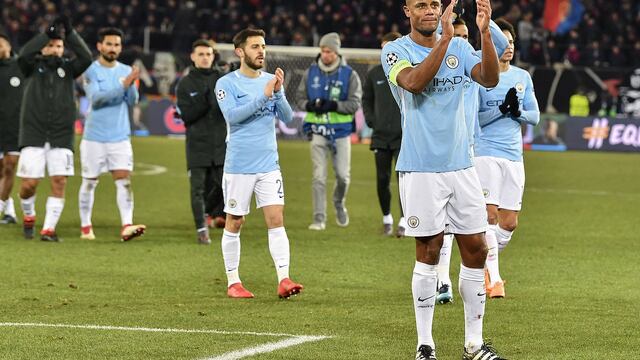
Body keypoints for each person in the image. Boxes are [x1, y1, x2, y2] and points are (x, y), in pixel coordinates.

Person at [381, 0, 506, 359]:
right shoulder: (395, 51)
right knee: (429, 251)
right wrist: (444, 41)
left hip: (462, 166)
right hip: (420, 168)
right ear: (407, 11)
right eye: (421, 5)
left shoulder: (460, 46)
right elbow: (415, 83)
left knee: (477, 249)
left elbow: (489, 77)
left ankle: (474, 344)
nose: (430, 11)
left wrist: (483, 33)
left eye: (435, 4)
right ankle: (425, 344)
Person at [215, 28, 303, 299]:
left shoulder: (270, 80)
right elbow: (233, 116)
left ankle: (284, 279)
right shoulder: (226, 84)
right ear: (240, 51)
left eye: (263, 46)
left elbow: (287, 118)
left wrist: (278, 93)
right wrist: (264, 96)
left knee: (276, 220)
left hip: (268, 164)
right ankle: (233, 282)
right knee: (235, 221)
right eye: (254, 46)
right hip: (239, 165)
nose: (261, 51)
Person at [435, 17, 509, 305]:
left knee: (468, 225)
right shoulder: (435, 63)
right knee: (440, 226)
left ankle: (479, 280)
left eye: (467, 36)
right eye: (458, 35)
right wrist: (447, 33)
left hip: (470, 152)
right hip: (439, 154)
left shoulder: (471, 61)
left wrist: (484, 26)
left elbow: (501, 45)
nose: (463, 40)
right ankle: (442, 280)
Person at [475, 18, 540, 299]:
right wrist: (501, 110)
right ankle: (495, 279)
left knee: (509, 223)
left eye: (512, 42)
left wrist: (516, 113)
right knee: (489, 215)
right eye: (504, 42)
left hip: (514, 156)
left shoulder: (522, 77)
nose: (509, 47)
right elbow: (475, 120)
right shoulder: (478, 75)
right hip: (486, 152)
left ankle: (482, 261)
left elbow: (534, 117)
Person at [16, 16, 92, 242]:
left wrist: (71, 34)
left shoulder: (69, 69)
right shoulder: (30, 67)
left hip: (61, 134)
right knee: (29, 184)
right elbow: (24, 54)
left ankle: (48, 229)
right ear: (44, 47)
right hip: (34, 133)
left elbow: (86, 57)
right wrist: (45, 35)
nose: (55, 49)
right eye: (51, 45)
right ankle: (29, 215)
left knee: (59, 181)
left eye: (59, 46)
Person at [78, 27, 146, 242]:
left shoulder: (125, 69)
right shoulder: (90, 70)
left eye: (116, 45)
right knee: (89, 182)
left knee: (124, 181)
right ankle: (86, 226)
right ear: (99, 46)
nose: (113, 48)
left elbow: (132, 101)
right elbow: (96, 100)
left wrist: (132, 84)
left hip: (119, 136)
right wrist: (125, 84)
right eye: (109, 44)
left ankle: (127, 225)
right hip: (94, 137)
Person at [297, 32, 362, 231]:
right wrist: (310, 105)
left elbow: (355, 104)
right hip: (317, 131)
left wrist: (334, 105)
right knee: (318, 176)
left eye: (329, 51)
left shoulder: (349, 74)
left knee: (343, 176)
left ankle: (339, 203)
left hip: (341, 132)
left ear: (336, 52)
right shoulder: (310, 73)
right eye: (323, 51)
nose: (325, 55)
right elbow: (299, 99)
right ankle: (319, 219)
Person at [176, 39, 227, 245]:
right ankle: (201, 229)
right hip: (197, 145)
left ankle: (210, 213)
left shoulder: (223, 80)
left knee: (224, 186)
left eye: (208, 54)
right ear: (193, 57)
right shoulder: (185, 84)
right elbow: (187, 116)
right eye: (201, 54)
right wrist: (206, 100)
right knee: (197, 188)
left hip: (221, 144)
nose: (205, 57)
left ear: (213, 56)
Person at [363, 31, 407, 238]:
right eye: (383, 47)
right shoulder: (374, 74)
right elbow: (366, 100)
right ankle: (387, 218)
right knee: (382, 179)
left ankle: (404, 220)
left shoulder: (407, 71)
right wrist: (372, 121)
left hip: (403, 136)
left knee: (403, 181)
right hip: (380, 136)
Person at [0, 31, 23, 225]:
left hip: (13, 127)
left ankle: (4, 208)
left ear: (8, 47)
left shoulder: (20, 66)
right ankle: (10, 211)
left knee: (9, 167)